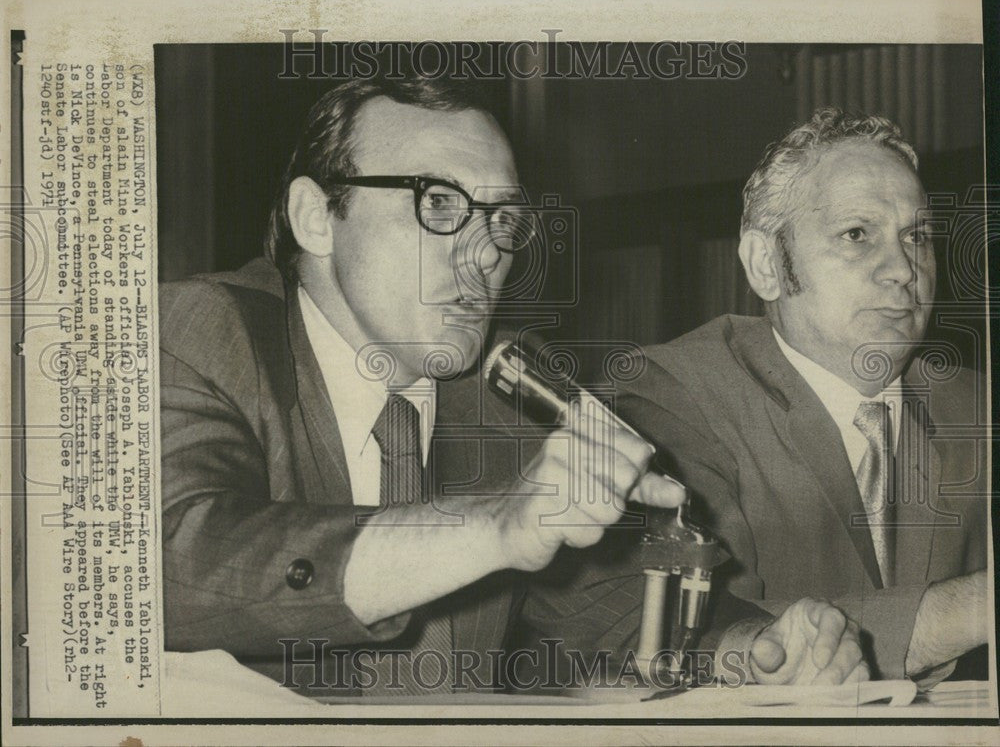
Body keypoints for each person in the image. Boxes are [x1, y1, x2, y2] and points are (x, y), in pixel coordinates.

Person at [159, 77, 867, 699]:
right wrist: (495, 525)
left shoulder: (501, 407)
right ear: (316, 217)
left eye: (502, 217)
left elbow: (596, 613)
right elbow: (178, 565)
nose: (487, 252)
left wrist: (748, 654)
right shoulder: (200, 332)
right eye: (438, 202)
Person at [539, 108, 987, 685]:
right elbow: (638, 615)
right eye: (857, 234)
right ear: (766, 264)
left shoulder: (978, 408)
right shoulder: (676, 397)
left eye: (917, 236)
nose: (904, 269)